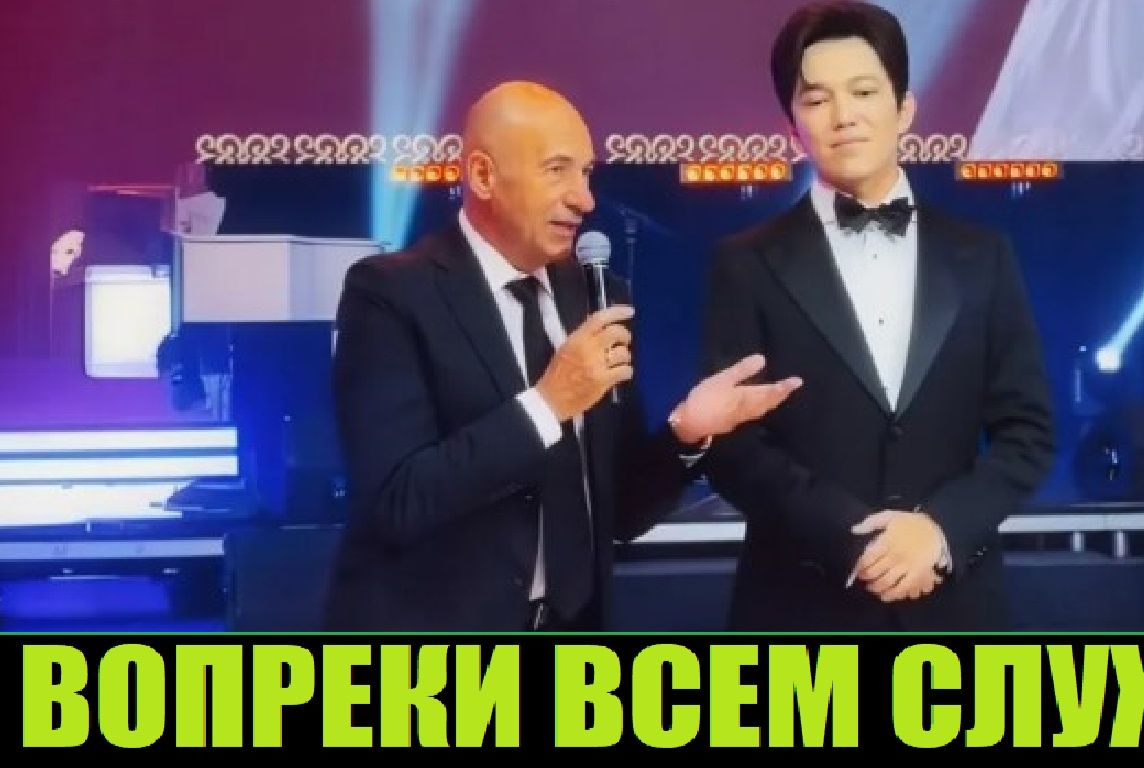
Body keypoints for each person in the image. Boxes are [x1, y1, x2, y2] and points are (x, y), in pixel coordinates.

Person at [324, 80, 800, 631]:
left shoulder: (597, 295)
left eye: (587, 173)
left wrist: (685, 432)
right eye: (557, 170)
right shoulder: (390, 294)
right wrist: (548, 406)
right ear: (482, 176)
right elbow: (396, 502)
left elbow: (620, 512)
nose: (585, 199)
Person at [699, 1, 1055, 631]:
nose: (844, 116)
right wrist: (850, 539)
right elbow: (730, 444)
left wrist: (939, 531)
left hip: (954, 609)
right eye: (817, 99)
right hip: (798, 615)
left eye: (864, 91)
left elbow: (1027, 433)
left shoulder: (983, 256)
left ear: (904, 109)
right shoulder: (745, 264)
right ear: (791, 126)